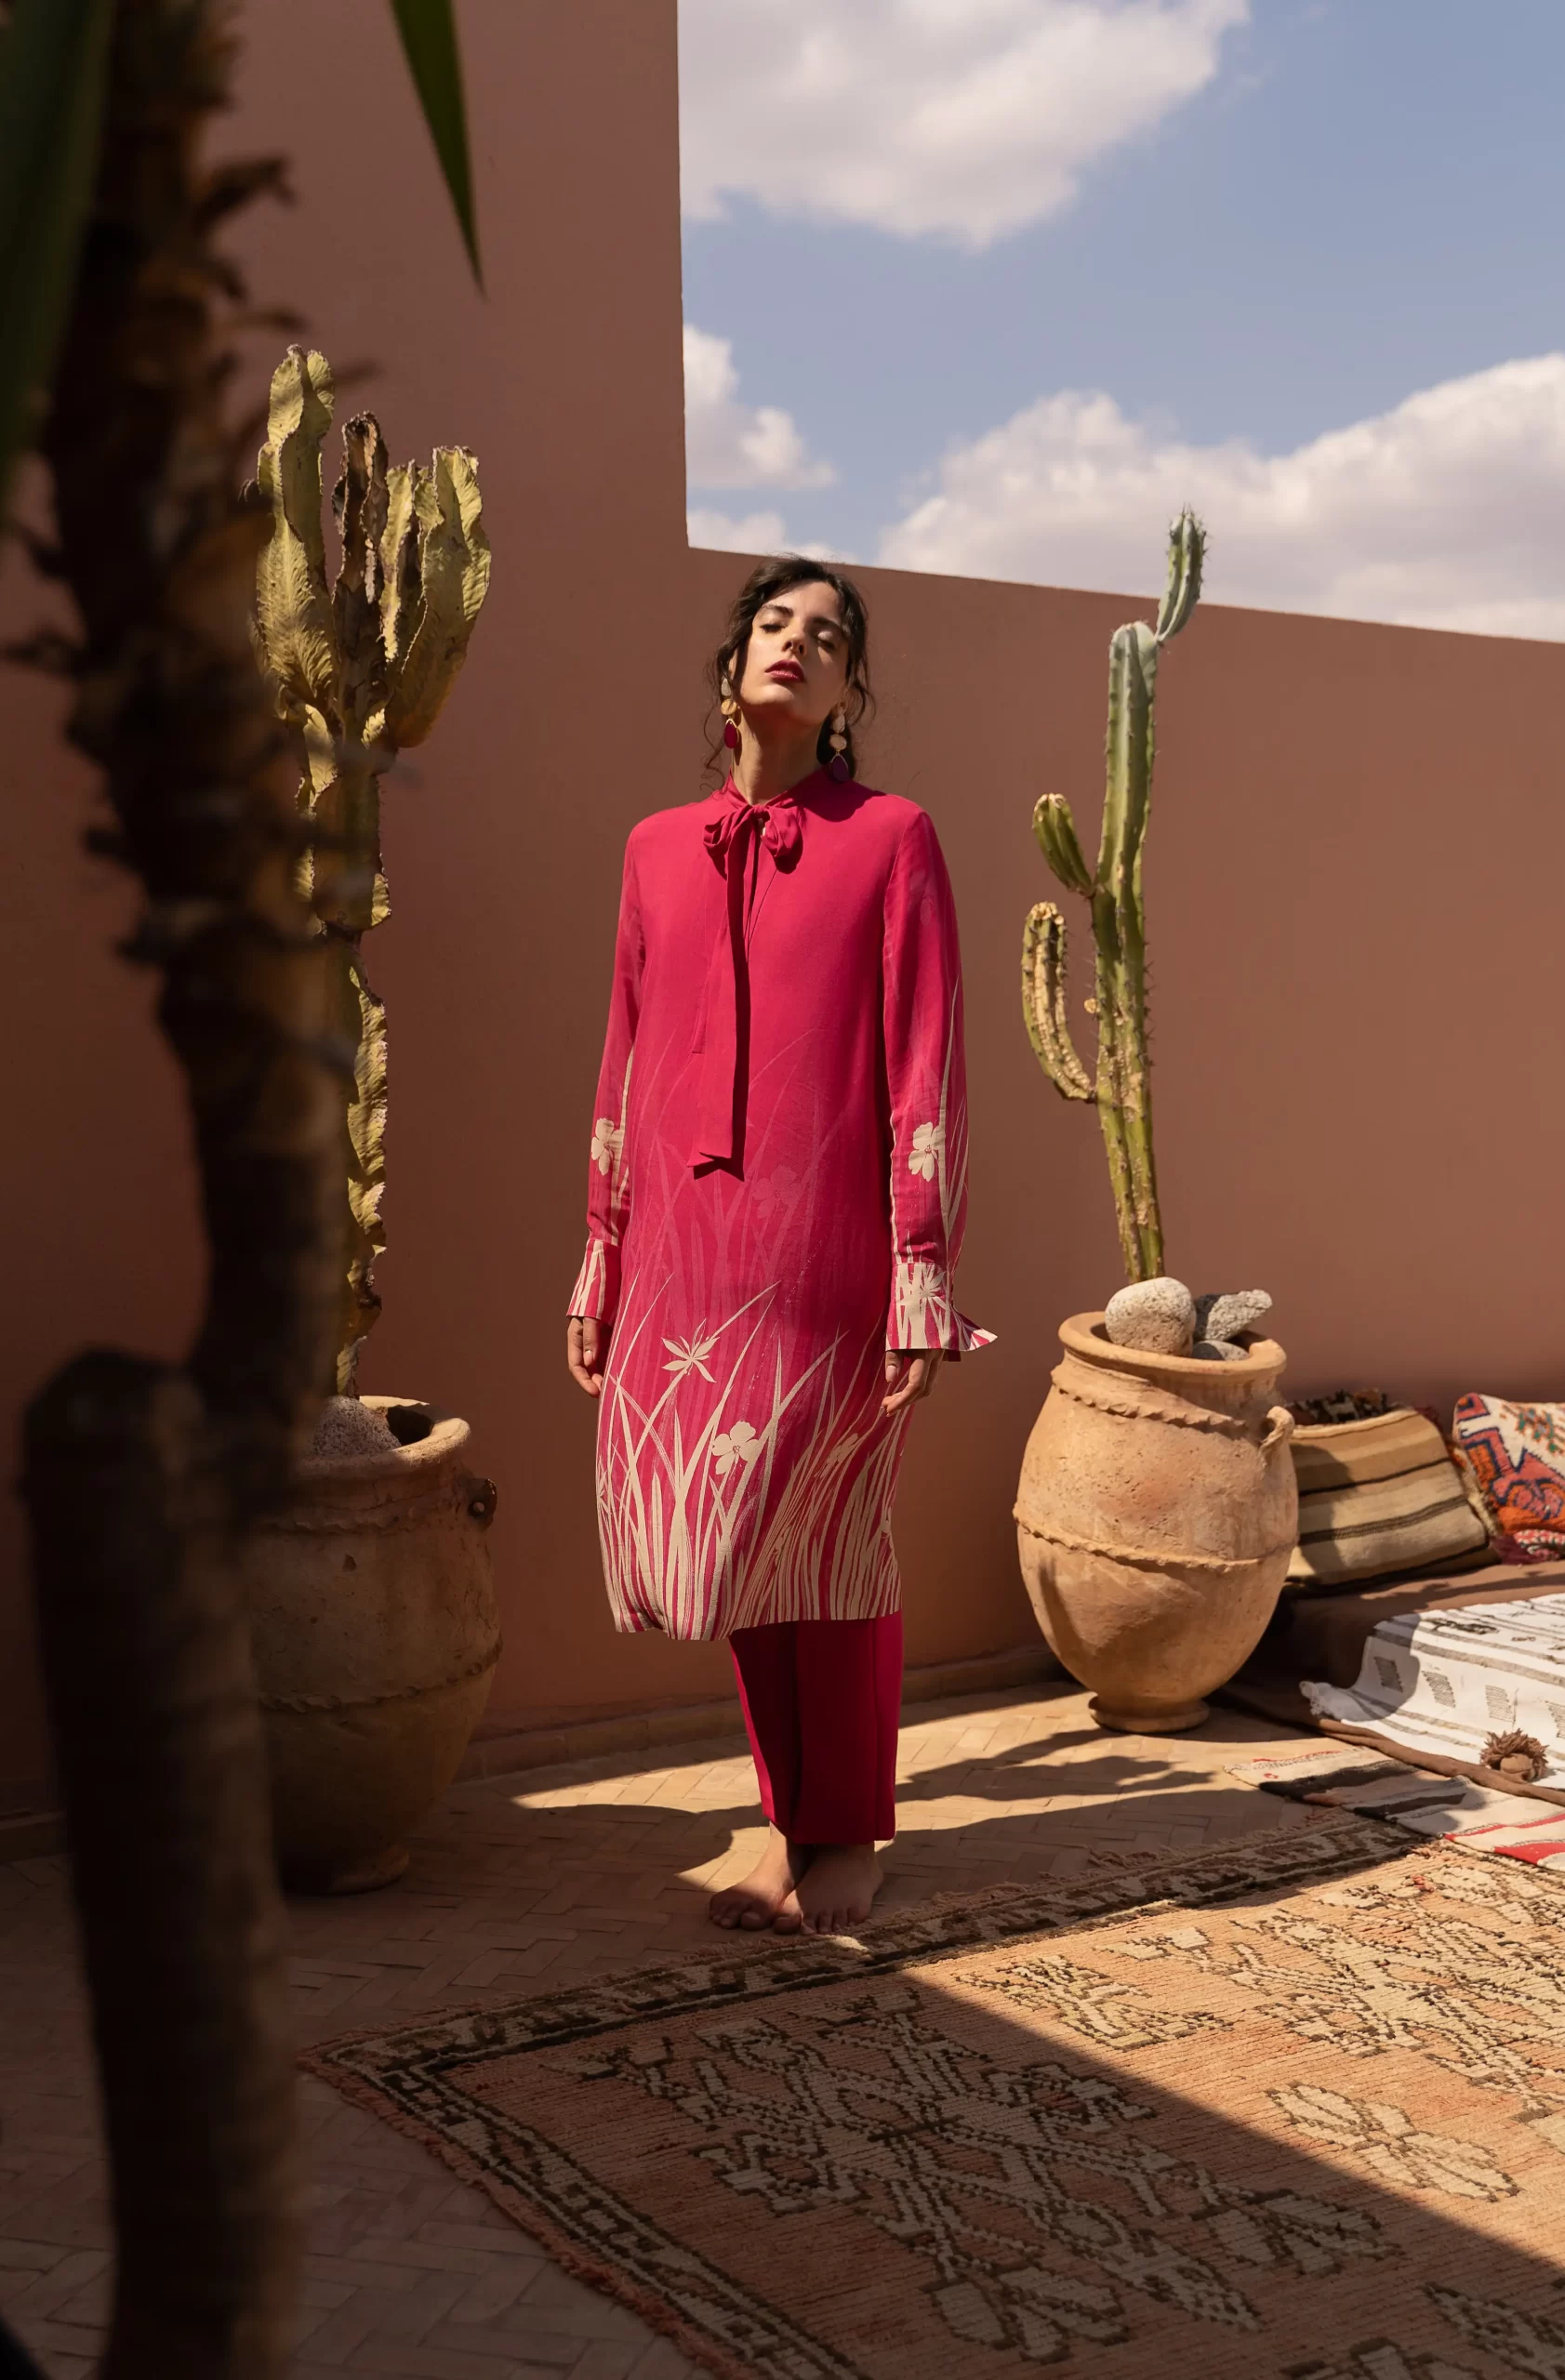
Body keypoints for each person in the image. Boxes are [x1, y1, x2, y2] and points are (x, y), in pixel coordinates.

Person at [564, 557, 987, 1936]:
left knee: (836, 1541)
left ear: (852, 688)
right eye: (774, 624)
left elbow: (926, 1060)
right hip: (689, 1253)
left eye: (827, 637)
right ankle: (777, 1822)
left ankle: (845, 1827)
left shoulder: (891, 837)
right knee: (738, 1540)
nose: (797, 645)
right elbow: (624, 1061)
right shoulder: (648, 848)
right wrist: (601, 1253)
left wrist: (920, 1268)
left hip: (830, 1250)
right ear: (732, 662)